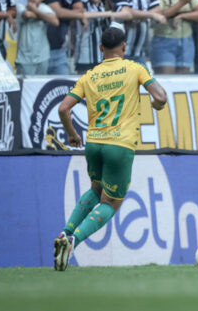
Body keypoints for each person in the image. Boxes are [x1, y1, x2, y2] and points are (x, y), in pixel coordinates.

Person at [53, 26, 167, 271]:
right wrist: (157, 104)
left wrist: (72, 134)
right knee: (111, 202)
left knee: (95, 189)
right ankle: (73, 242)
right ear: (124, 47)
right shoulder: (135, 68)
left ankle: (65, 233)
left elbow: (63, 109)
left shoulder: (89, 75)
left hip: (94, 143)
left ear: (101, 48)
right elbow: (161, 96)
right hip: (120, 144)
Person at [152, 0, 198, 74]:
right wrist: (181, 3)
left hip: (186, 41)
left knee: (182, 81)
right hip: (164, 40)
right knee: (166, 79)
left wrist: (181, 16)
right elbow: (159, 14)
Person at [15, 0, 59, 75]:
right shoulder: (20, 6)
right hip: (24, 57)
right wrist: (44, 16)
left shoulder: (44, 7)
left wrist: (35, 10)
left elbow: (55, 21)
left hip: (42, 56)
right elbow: (27, 15)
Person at [44, 0, 85, 75]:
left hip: (61, 50)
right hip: (42, 52)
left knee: (63, 85)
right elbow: (59, 13)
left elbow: (80, 9)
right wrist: (78, 15)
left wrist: (70, 13)